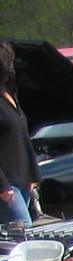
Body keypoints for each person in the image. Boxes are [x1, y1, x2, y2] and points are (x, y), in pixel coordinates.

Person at [0, 42, 39, 227]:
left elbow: (23, 138)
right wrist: (2, 186)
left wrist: (33, 174)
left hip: (21, 180)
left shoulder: (10, 96)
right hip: (7, 184)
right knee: (24, 232)